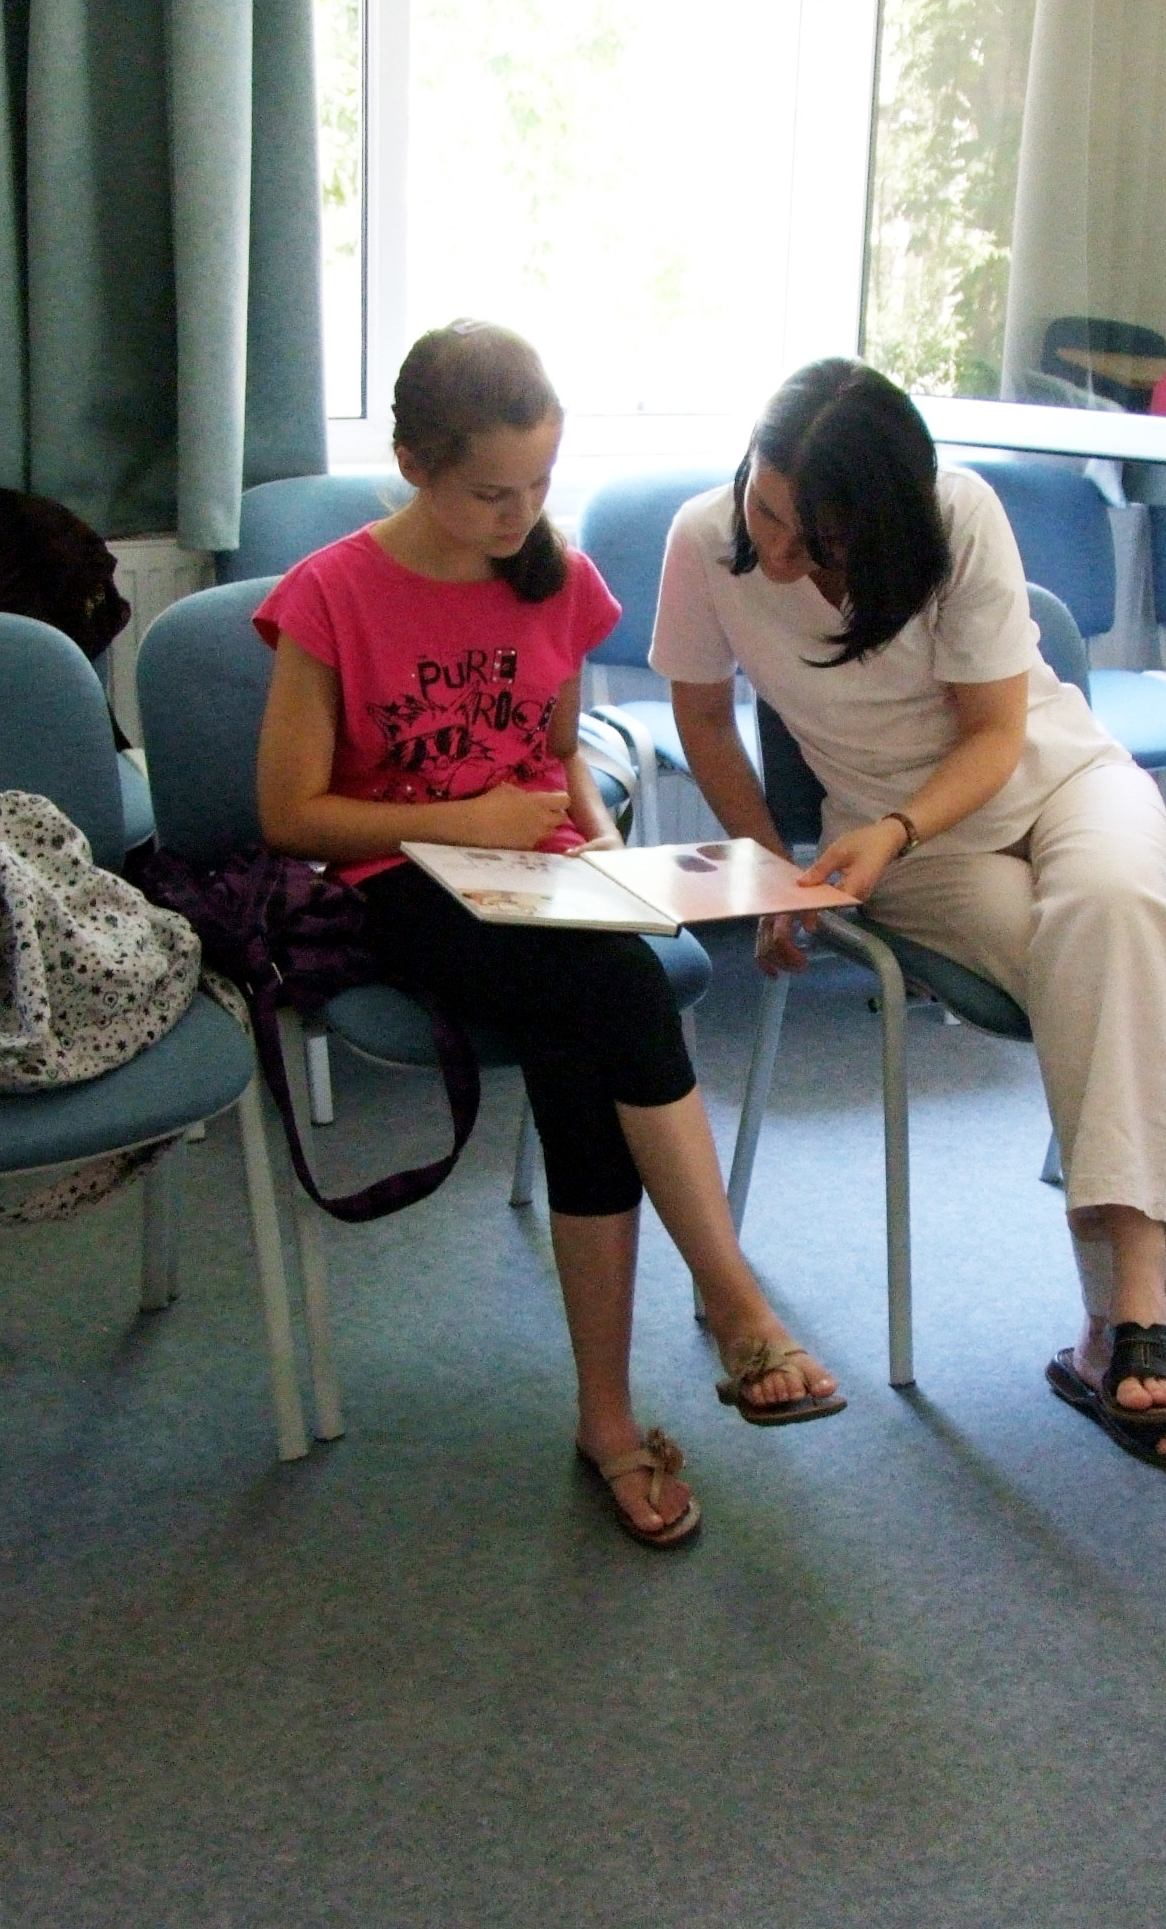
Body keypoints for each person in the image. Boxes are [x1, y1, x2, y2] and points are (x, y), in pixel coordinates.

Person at [254, 321, 842, 1547]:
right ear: (413, 466)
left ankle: (609, 1419)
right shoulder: (331, 594)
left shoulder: (553, 574)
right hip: (401, 879)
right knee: (619, 993)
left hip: (542, 880)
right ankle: (732, 1304)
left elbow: (560, 752)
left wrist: (603, 842)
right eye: (491, 493)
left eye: (540, 484)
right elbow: (289, 814)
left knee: (586, 1048)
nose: (522, 514)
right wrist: (461, 817)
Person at [652, 358, 1166, 1469]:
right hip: (900, 847)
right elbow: (708, 725)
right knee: (1108, 980)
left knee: (1114, 914)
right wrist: (771, 871)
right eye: (767, 510)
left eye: (817, 539)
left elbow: (999, 735)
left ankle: (1129, 1309)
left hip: (1058, 778)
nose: (780, 554)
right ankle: (1120, 1334)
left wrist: (900, 828)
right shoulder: (702, 540)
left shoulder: (959, 514)